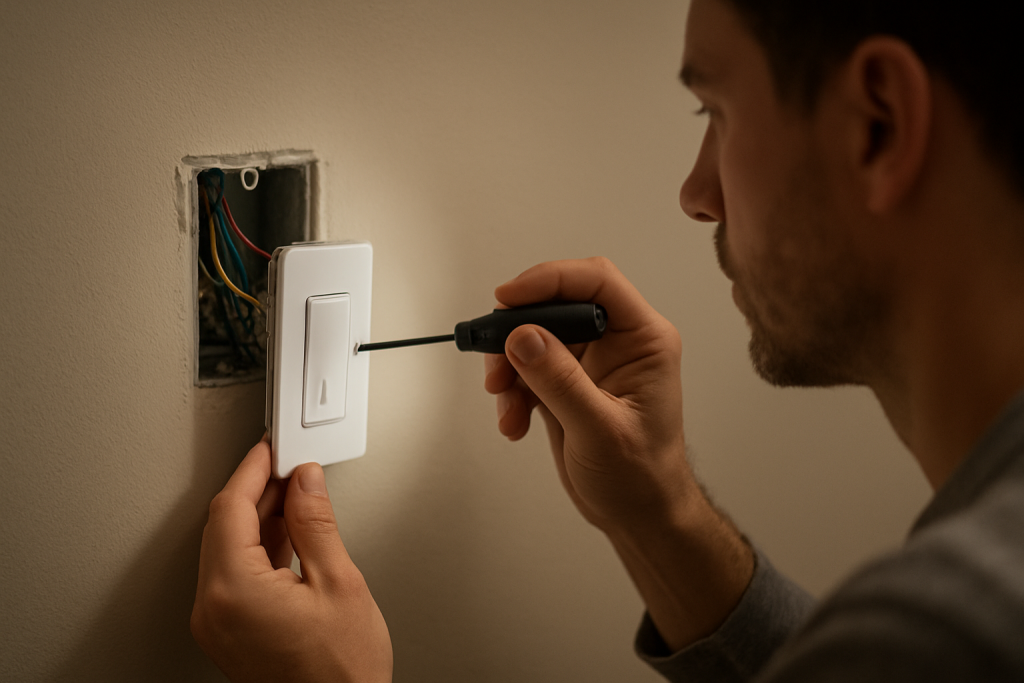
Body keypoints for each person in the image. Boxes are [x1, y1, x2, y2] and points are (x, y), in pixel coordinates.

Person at [190, 0, 1024, 679]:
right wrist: (658, 511)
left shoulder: (947, 628)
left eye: (717, 112)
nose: (698, 193)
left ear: (876, 123)